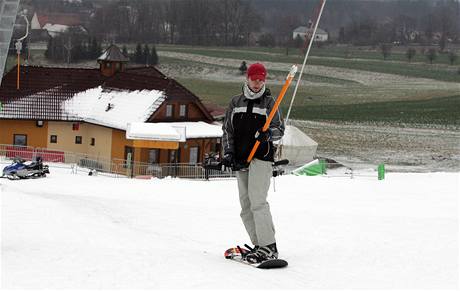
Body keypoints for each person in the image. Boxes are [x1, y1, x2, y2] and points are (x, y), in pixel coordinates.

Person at [221, 62, 285, 263]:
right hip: (241, 159)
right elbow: (227, 131)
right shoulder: (235, 102)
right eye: (254, 79)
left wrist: (268, 134)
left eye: (261, 80)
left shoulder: (269, 103)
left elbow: (279, 131)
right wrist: (229, 153)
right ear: (247, 79)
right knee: (246, 206)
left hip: (261, 158)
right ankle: (258, 245)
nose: (257, 84)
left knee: (258, 201)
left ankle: (269, 245)